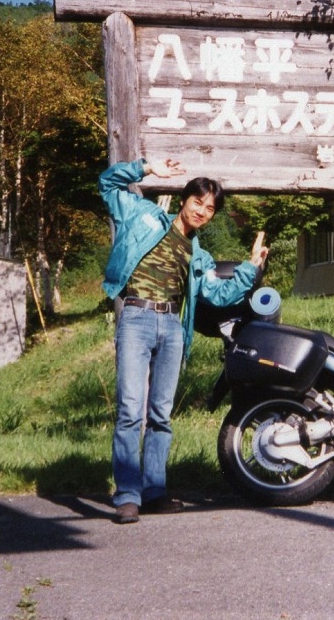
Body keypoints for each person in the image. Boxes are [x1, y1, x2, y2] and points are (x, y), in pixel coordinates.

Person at [99, 157, 268, 524]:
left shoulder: (199, 255)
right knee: (130, 411)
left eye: (209, 208)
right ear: (184, 200)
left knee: (160, 416)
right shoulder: (143, 215)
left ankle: (154, 491)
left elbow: (218, 295)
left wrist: (250, 268)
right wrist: (147, 169)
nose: (201, 211)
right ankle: (127, 496)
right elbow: (107, 183)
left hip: (173, 327)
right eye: (197, 202)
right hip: (136, 318)